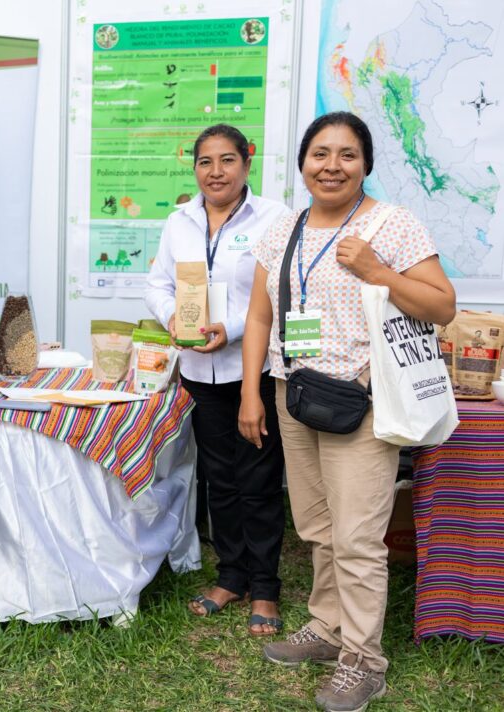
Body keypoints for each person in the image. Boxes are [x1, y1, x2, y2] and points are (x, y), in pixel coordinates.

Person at [239, 112, 455, 711]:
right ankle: (328, 628)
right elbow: (261, 317)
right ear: (304, 162)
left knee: (357, 538)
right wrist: (251, 393)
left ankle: (365, 659)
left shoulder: (393, 224)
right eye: (321, 154)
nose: (332, 166)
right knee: (316, 527)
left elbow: (442, 306)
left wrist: (378, 272)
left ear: (366, 165)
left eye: (348, 155)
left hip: (361, 400)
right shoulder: (283, 229)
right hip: (294, 393)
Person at [145, 124, 288, 636]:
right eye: (206, 162)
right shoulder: (178, 221)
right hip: (198, 374)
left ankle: (266, 587)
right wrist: (175, 321)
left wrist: (226, 329)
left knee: (259, 479)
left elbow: (278, 296)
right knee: (218, 478)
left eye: (227, 160)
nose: (216, 172)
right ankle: (231, 575)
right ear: (196, 169)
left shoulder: (275, 219)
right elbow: (158, 286)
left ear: (247, 163)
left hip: (253, 370)